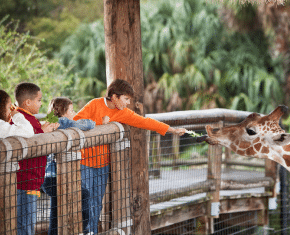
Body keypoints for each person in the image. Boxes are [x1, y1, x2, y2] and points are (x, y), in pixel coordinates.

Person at [74, 79, 186, 234]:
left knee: (96, 203)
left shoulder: (123, 113)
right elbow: (75, 122)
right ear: (114, 97)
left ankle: (91, 232)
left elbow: (144, 122)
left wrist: (172, 130)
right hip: (85, 162)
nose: (127, 103)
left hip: (103, 164)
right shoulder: (94, 104)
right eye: (126, 99)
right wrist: (99, 123)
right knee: (84, 202)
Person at [42, 97, 100, 235]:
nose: (74, 113)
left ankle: (54, 233)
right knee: (84, 193)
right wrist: (96, 122)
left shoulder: (50, 121)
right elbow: (87, 125)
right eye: (72, 110)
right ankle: (84, 229)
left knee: (56, 208)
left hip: (48, 178)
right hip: (59, 177)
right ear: (63, 111)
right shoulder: (63, 121)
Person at [12, 82, 59, 235]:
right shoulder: (22, 119)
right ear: (28, 102)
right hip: (26, 181)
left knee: (27, 224)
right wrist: (44, 131)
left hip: (31, 180)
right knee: (25, 226)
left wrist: (43, 129)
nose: (41, 104)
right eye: (39, 100)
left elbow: (35, 134)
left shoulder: (27, 118)